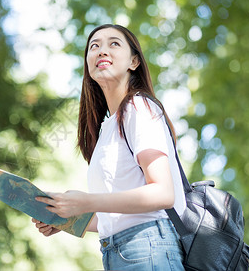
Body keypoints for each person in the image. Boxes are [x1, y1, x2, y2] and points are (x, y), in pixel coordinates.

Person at [32, 24, 186, 270]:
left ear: (134, 61)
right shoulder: (106, 129)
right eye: (95, 46)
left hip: (148, 249)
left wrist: (87, 201)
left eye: (114, 44)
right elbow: (113, 216)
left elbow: (163, 194)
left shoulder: (139, 107)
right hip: (117, 253)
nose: (102, 51)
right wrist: (64, 218)